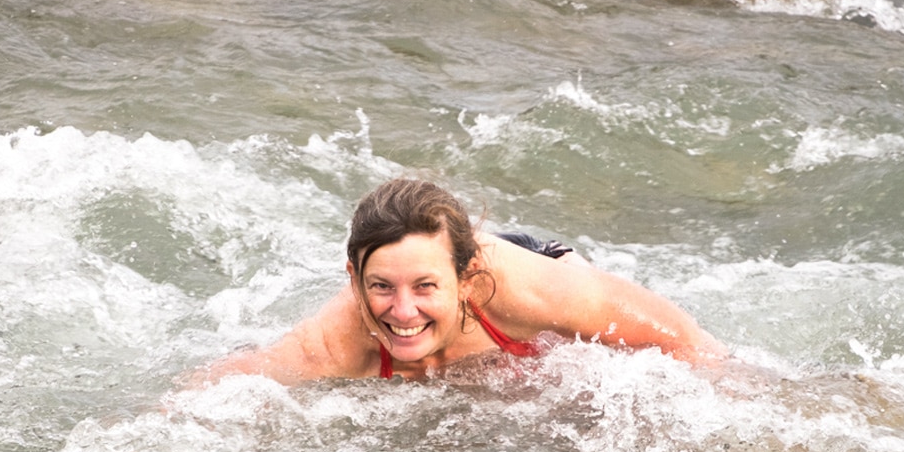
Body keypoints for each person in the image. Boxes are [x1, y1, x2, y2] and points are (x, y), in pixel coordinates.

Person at [186, 178, 727, 386]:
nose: (401, 313)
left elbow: (685, 342)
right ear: (353, 280)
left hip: (529, 262)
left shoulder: (528, 289)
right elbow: (221, 389)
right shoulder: (330, 344)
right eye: (380, 288)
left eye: (424, 288)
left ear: (465, 280)